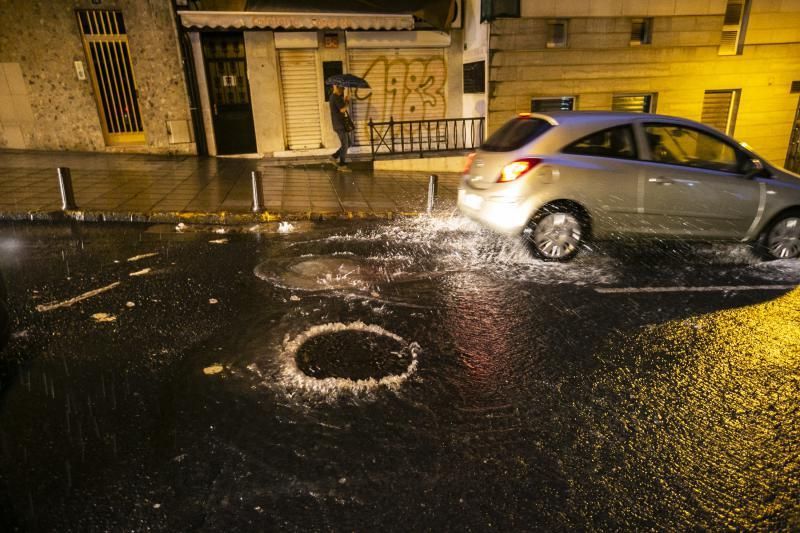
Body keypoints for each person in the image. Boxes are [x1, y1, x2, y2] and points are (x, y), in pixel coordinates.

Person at [329, 84, 351, 171]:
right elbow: (342, 109)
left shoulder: (335, 97)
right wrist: (347, 101)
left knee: (348, 143)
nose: (343, 90)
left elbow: (341, 108)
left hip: (340, 124)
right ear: (337, 88)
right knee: (345, 144)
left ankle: (334, 156)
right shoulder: (335, 97)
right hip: (340, 125)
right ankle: (342, 164)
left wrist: (345, 100)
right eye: (342, 88)